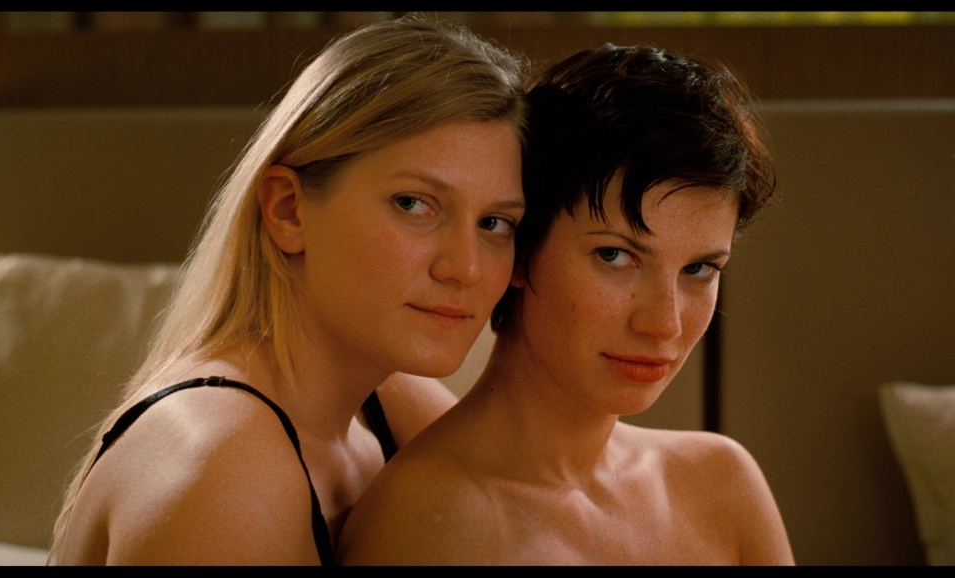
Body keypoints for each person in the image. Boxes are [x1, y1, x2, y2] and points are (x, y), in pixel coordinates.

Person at [50, 17, 526, 565]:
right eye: (413, 204)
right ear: (288, 209)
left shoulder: (384, 399)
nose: (466, 268)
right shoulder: (225, 467)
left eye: (494, 223)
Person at [338, 45, 795, 565]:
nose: (664, 324)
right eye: (614, 256)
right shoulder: (430, 522)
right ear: (518, 247)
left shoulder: (722, 484)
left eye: (699, 269)